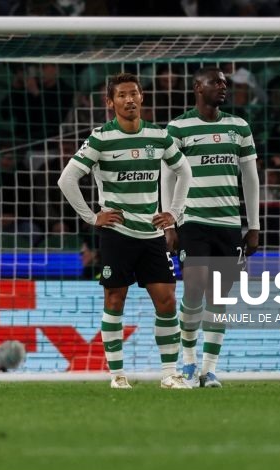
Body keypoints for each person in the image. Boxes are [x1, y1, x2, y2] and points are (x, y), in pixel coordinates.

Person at [57, 72, 194, 390]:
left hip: (151, 234)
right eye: (121, 95)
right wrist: (92, 218)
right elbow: (67, 179)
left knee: (167, 301)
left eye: (134, 93)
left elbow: (184, 171)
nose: (129, 99)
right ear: (110, 102)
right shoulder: (100, 138)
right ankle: (117, 375)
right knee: (114, 300)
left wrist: (173, 212)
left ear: (142, 97)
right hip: (117, 235)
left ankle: (169, 374)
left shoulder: (159, 136)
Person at [165, 67, 260, 388]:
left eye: (224, 83)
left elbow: (250, 178)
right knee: (194, 286)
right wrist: (170, 220)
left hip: (228, 224)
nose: (223, 87)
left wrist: (254, 225)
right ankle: (188, 362)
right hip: (192, 222)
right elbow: (167, 176)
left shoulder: (239, 127)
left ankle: (209, 369)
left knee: (219, 297)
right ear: (197, 87)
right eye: (215, 82)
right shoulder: (178, 127)